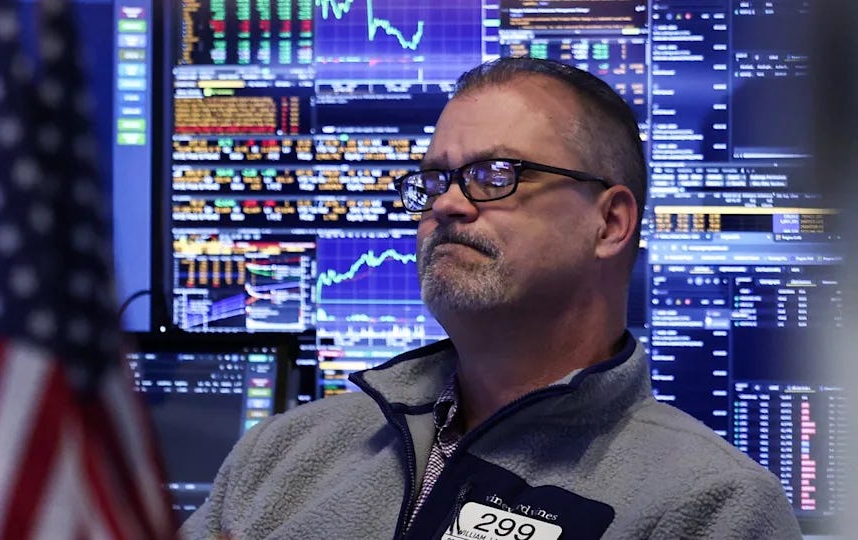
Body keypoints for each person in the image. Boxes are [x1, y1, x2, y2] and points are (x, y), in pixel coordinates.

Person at [181, 57, 801, 539]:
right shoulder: (281, 453)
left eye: (495, 174)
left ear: (610, 223)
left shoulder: (709, 504)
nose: (448, 204)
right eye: (435, 180)